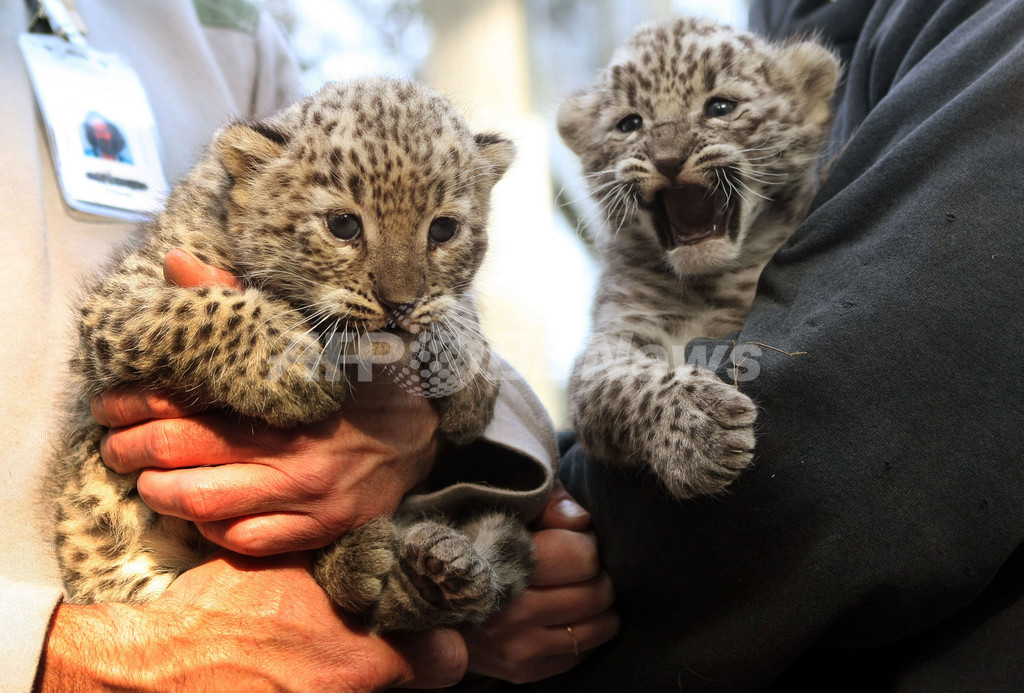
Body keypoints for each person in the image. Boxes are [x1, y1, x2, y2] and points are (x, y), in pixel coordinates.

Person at [1, 1, 616, 690]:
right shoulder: (224, 207)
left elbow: (454, 380)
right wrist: (248, 340)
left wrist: (431, 419)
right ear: (248, 177)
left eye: (442, 233)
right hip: (112, 596)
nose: (400, 286)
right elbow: (114, 325)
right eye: (345, 227)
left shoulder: (222, 24)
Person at [538, 0, 1024, 690]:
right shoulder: (635, 268)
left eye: (720, 106)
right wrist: (661, 407)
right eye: (629, 124)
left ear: (807, 103)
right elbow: (601, 378)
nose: (669, 149)